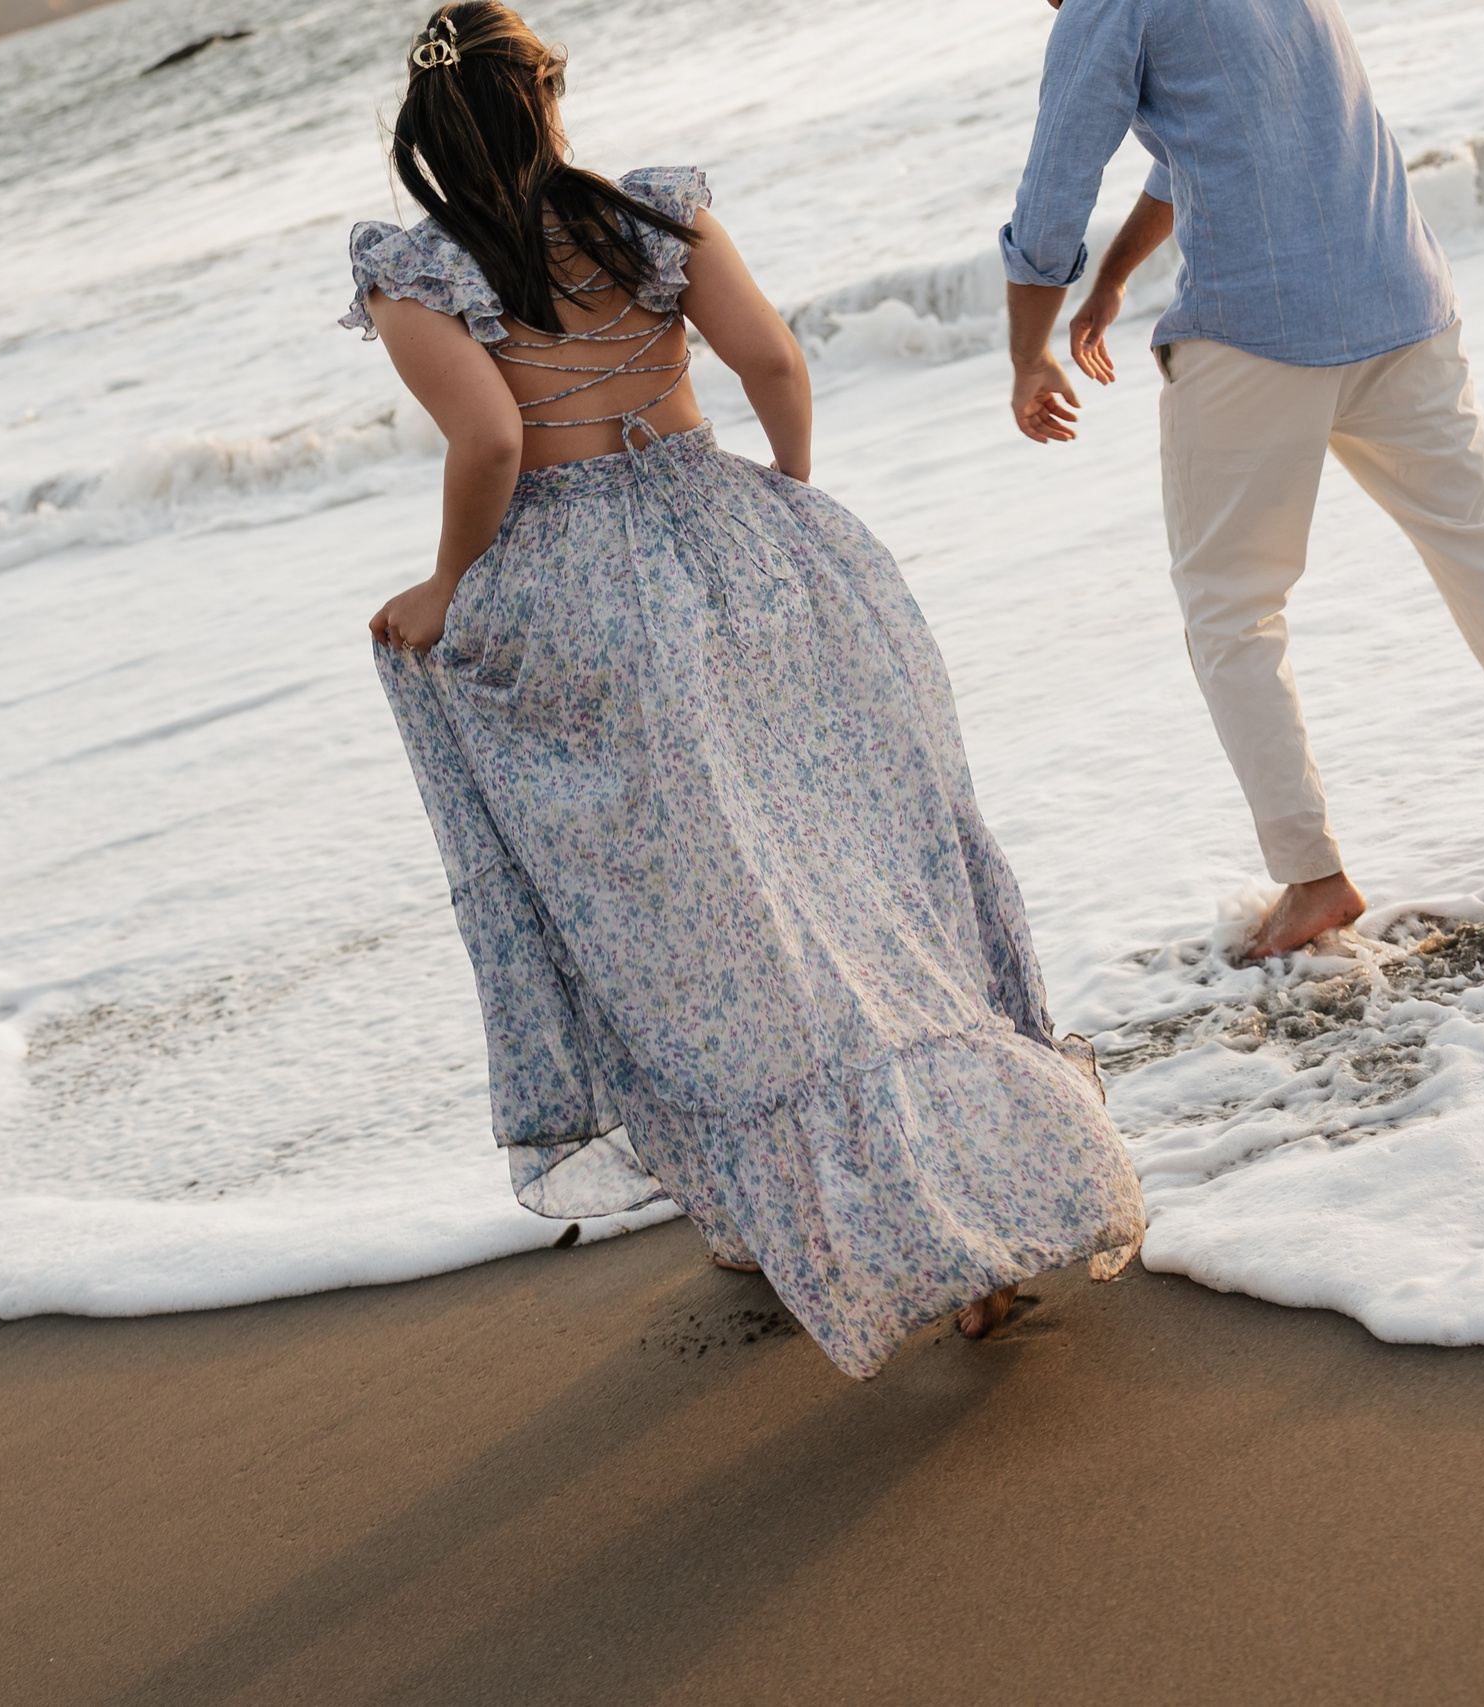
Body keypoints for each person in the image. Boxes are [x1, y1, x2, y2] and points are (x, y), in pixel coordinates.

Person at [345, 3, 1144, 1380]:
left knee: (707, 930)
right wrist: (779, 496)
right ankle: (993, 1182)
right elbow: (774, 363)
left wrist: (446, 590)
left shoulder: (418, 272)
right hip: (753, 558)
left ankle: (804, 1208)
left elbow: (487, 439)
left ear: (423, 138)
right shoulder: (653, 216)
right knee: (861, 880)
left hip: (586, 600)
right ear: (549, 93)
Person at [1000, 0, 1484, 962]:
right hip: (1400, 293)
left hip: (1258, 332)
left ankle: (1312, 879)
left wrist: (1027, 356)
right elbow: (1226, 120)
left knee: (1230, 607)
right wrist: (1115, 278)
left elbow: (1054, 190)